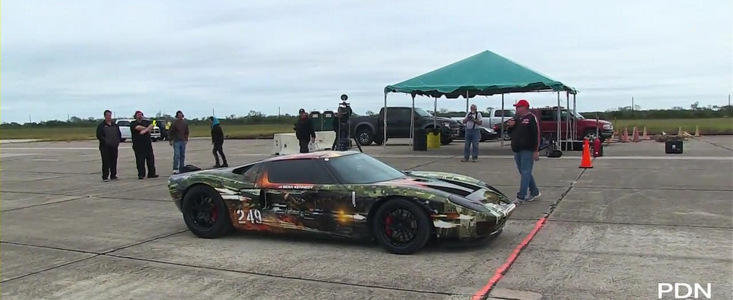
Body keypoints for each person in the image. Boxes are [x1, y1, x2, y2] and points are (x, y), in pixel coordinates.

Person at [507, 99, 541, 203]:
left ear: (525, 107)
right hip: (517, 149)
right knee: (524, 172)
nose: (516, 109)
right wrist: (510, 127)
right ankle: (535, 192)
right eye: (516, 107)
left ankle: (521, 196)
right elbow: (510, 134)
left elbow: (536, 134)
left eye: (518, 107)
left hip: (528, 149)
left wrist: (536, 150)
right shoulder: (517, 118)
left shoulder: (531, 118)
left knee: (526, 172)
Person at [130, 111, 158, 179]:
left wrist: (145, 130)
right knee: (140, 160)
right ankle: (141, 174)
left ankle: (151, 174)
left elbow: (152, 125)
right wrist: (147, 129)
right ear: (135, 116)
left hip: (147, 144)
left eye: (141, 115)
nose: (140, 116)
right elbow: (137, 127)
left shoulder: (146, 122)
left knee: (150, 159)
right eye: (138, 115)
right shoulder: (133, 123)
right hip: (138, 145)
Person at [96, 110, 121, 182]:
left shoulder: (115, 125)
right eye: (108, 115)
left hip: (114, 146)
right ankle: (105, 176)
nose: (109, 117)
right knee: (106, 161)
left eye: (110, 115)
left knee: (114, 161)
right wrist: (106, 141)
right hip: (105, 147)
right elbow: (99, 136)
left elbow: (118, 134)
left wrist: (117, 141)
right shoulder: (101, 126)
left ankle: (113, 175)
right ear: (105, 116)